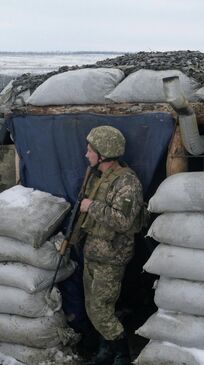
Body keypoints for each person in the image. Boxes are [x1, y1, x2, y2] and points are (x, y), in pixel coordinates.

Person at [79, 126, 144, 365]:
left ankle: (122, 355)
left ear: (104, 153)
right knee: (92, 307)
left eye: (90, 150)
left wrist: (91, 206)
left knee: (101, 309)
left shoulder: (128, 183)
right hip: (93, 253)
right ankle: (106, 353)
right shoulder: (98, 178)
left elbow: (123, 220)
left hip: (111, 257)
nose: (86, 155)